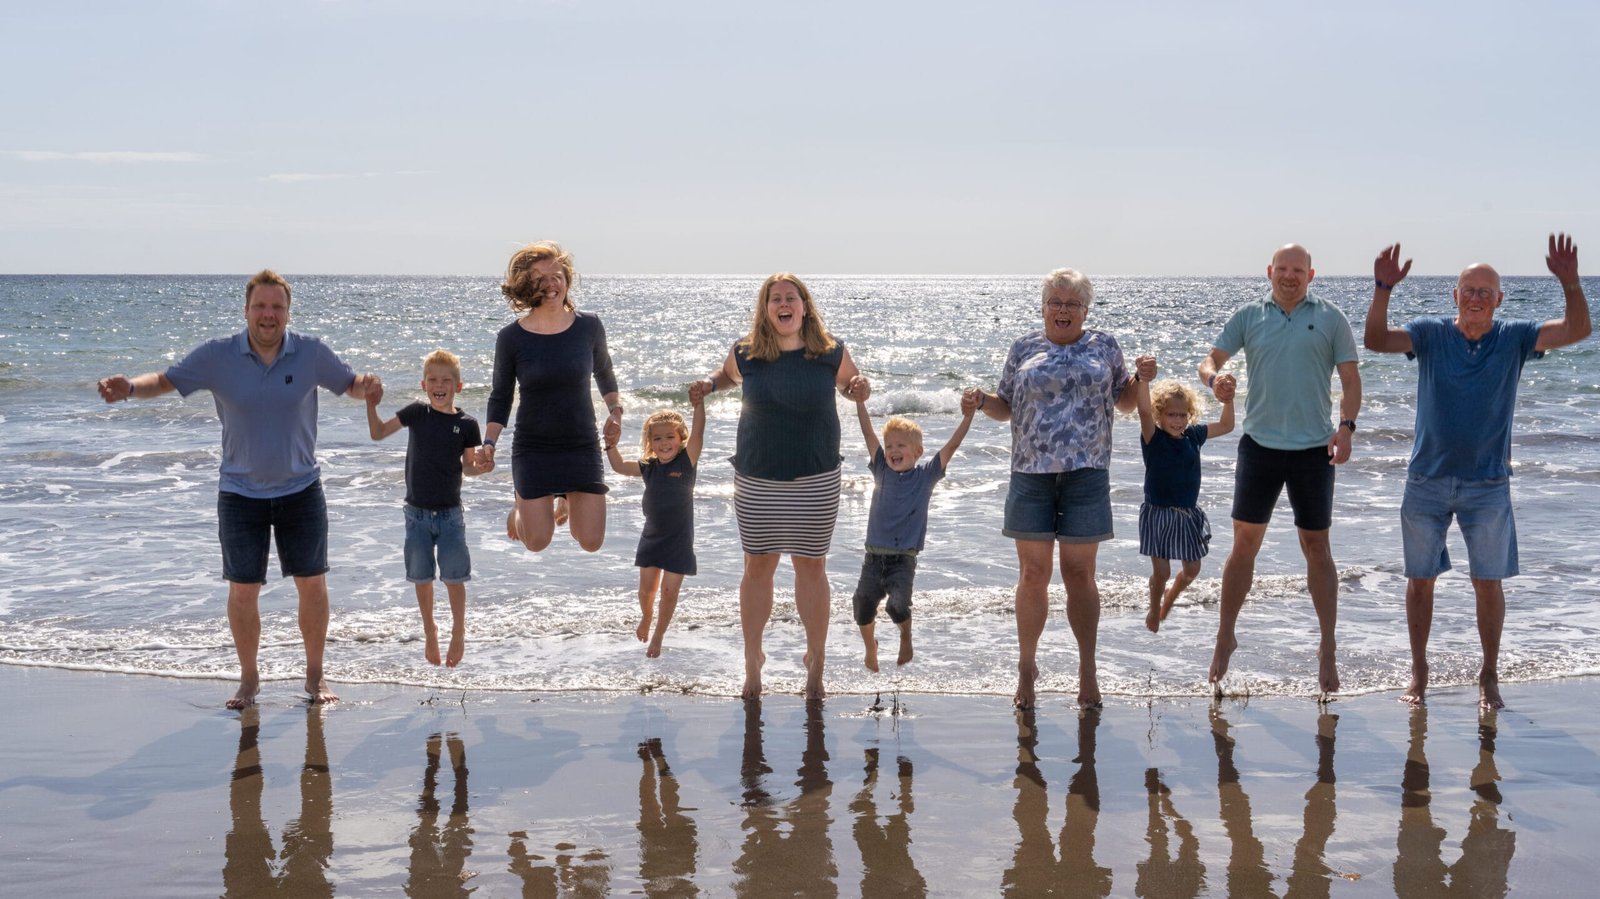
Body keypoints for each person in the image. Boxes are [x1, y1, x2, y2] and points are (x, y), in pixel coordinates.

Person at [96, 269, 379, 708]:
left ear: (288, 312)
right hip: (240, 493)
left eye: (277, 307)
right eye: (260, 306)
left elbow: (351, 384)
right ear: (246, 310)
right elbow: (167, 380)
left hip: (301, 489)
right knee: (243, 591)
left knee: (312, 585)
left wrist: (368, 386)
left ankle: (314, 675)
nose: (269, 314)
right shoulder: (218, 355)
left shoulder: (311, 353)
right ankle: (249, 678)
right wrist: (130, 387)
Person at [1365, 234, 1591, 709]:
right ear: (1454, 295)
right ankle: (1419, 672)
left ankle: (1489, 675)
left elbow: (1577, 331)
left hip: (1488, 483)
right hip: (1426, 479)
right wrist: (1383, 289)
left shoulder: (1514, 337)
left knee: (1488, 583)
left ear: (1499, 300)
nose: (1476, 298)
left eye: (1485, 292)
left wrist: (1570, 283)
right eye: (1468, 290)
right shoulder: (1430, 333)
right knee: (1420, 580)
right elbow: (1376, 340)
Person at [970, 268, 1142, 710]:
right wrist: (981, 400)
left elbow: (1125, 401)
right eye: (1055, 302)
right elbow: (1005, 407)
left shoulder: (1104, 345)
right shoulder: (1023, 347)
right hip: (1031, 473)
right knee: (1032, 574)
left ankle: (1088, 670)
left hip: (1087, 472)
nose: (1063, 310)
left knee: (1080, 575)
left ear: (1085, 310)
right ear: (1043, 307)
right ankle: (1026, 668)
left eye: (1072, 304)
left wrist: (1142, 379)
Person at [688, 272, 865, 700]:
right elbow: (726, 376)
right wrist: (709, 384)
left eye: (791, 297)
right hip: (757, 476)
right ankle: (753, 661)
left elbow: (850, 384)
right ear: (766, 309)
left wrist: (859, 387)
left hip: (816, 475)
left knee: (812, 567)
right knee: (757, 567)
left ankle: (816, 661)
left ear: (805, 306)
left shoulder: (831, 351)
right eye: (775, 299)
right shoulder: (746, 352)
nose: (784, 304)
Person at [1198, 243, 1360, 696]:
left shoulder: (1331, 318)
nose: (1290, 276)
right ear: (1270, 271)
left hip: (1312, 450)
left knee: (1317, 548)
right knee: (1244, 546)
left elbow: (1350, 380)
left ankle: (1327, 646)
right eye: (1282, 269)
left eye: (1298, 270)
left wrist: (1346, 428)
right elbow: (1209, 361)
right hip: (1260, 448)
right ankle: (1225, 635)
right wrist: (1214, 380)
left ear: (1311, 274)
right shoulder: (1250, 315)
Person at [483, 241, 621, 556]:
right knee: (537, 541)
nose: (550, 285)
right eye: (539, 279)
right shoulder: (511, 338)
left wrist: (615, 412)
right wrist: (489, 443)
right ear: (525, 285)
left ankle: (566, 499)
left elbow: (604, 373)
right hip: (534, 448)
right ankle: (519, 510)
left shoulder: (589, 326)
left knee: (590, 540)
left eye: (556, 276)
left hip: (580, 443)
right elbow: (501, 396)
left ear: (567, 280)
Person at [365, 349, 494, 668]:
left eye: (446, 380)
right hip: (416, 514)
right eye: (433, 380)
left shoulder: (467, 424)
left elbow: (468, 467)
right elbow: (378, 432)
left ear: (458, 386)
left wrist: (484, 468)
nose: (439, 385)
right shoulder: (416, 413)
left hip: (450, 515)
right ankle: (430, 630)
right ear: (423, 385)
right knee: (421, 577)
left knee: (454, 577)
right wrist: (371, 404)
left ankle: (458, 631)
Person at [845, 381, 978, 672]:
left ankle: (906, 636)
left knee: (897, 606)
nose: (893, 450)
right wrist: (860, 402)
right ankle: (870, 647)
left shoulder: (926, 477)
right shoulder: (881, 469)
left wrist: (968, 416)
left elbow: (952, 446)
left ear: (917, 452)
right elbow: (868, 433)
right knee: (862, 606)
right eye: (889, 446)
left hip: (903, 560)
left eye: (900, 446)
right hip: (873, 558)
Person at [1134, 364, 1235, 633]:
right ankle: (1154, 608)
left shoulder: (1193, 435)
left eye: (1182, 414)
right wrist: (1143, 380)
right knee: (1162, 572)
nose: (1177, 420)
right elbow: (1143, 411)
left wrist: (1228, 399)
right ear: (1160, 414)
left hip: (1187, 514)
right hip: (1158, 513)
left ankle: (1170, 598)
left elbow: (1227, 425)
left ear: (1189, 414)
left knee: (1192, 570)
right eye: (1171, 415)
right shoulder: (1153, 437)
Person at [605, 397, 707, 658]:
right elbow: (619, 467)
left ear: (681, 438)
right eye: (657, 438)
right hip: (652, 538)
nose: (664, 443)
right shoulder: (648, 467)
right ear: (650, 442)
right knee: (645, 591)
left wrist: (698, 404)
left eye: (670, 437)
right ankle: (647, 616)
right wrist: (610, 445)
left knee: (669, 592)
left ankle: (659, 634)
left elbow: (698, 433)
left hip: (679, 541)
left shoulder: (686, 462)